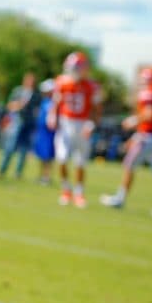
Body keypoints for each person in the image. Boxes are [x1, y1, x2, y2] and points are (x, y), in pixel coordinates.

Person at [100, 68, 152, 218]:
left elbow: (149, 115)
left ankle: (120, 199)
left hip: (148, 136)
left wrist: (133, 121)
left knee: (129, 165)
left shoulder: (149, 94)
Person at [48, 51, 102, 208]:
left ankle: (79, 192)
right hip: (66, 123)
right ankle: (66, 189)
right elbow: (56, 102)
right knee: (62, 158)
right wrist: (53, 116)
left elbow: (97, 108)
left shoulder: (91, 85)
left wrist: (91, 124)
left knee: (80, 161)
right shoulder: (62, 82)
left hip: (82, 123)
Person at [0, 72, 41, 179]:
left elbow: (37, 109)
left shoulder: (36, 95)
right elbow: (9, 105)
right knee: (10, 147)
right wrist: (18, 105)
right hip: (16, 122)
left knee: (24, 149)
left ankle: (18, 172)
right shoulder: (17, 91)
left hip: (28, 123)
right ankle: (2, 170)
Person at [32, 79, 57, 185]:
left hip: (49, 133)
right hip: (42, 132)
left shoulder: (54, 102)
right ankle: (41, 175)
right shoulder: (45, 101)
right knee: (41, 155)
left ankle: (46, 177)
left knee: (48, 156)